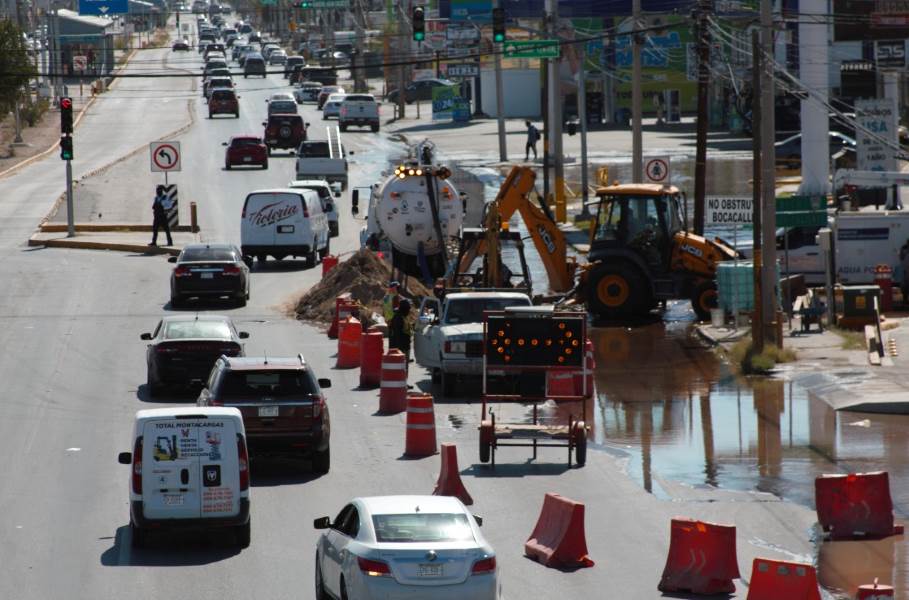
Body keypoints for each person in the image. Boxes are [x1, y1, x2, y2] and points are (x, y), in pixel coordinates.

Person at [388, 298, 413, 363]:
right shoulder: (398, 318)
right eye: (408, 308)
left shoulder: (403, 317)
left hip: (405, 347)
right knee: (401, 368)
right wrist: (400, 353)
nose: (409, 310)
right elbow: (397, 335)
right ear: (404, 308)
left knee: (404, 369)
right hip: (400, 349)